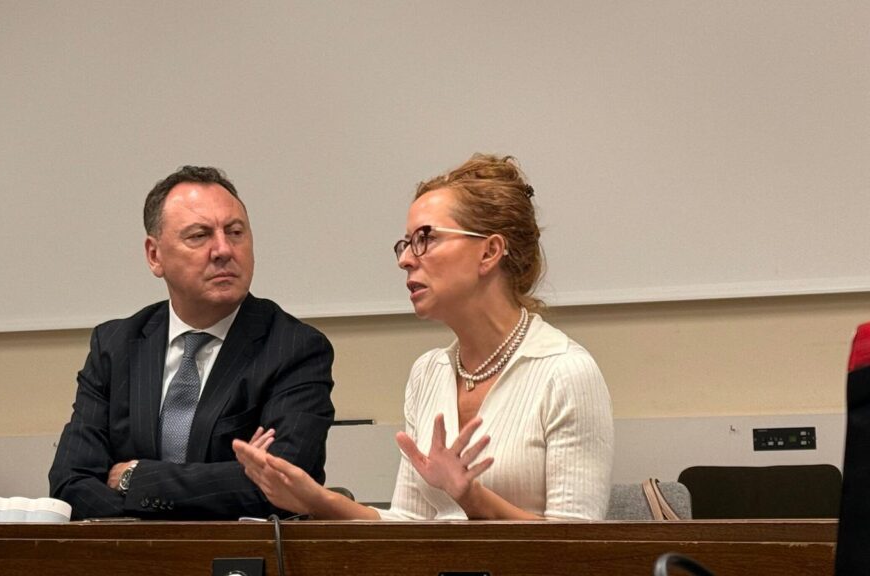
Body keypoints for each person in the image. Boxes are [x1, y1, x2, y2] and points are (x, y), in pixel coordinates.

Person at [234, 154, 613, 520]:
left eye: (425, 239)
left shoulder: (565, 372)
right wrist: (315, 499)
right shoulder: (428, 372)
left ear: (489, 252)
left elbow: (580, 546)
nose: (405, 259)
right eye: (406, 243)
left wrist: (472, 498)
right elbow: (410, 522)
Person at [49, 165, 335, 520]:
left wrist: (136, 478)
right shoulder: (115, 346)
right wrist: (159, 536)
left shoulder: (294, 348)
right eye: (199, 236)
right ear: (155, 255)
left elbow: (284, 484)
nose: (223, 250)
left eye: (235, 232)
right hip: (130, 551)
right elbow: (70, 483)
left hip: (244, 552)